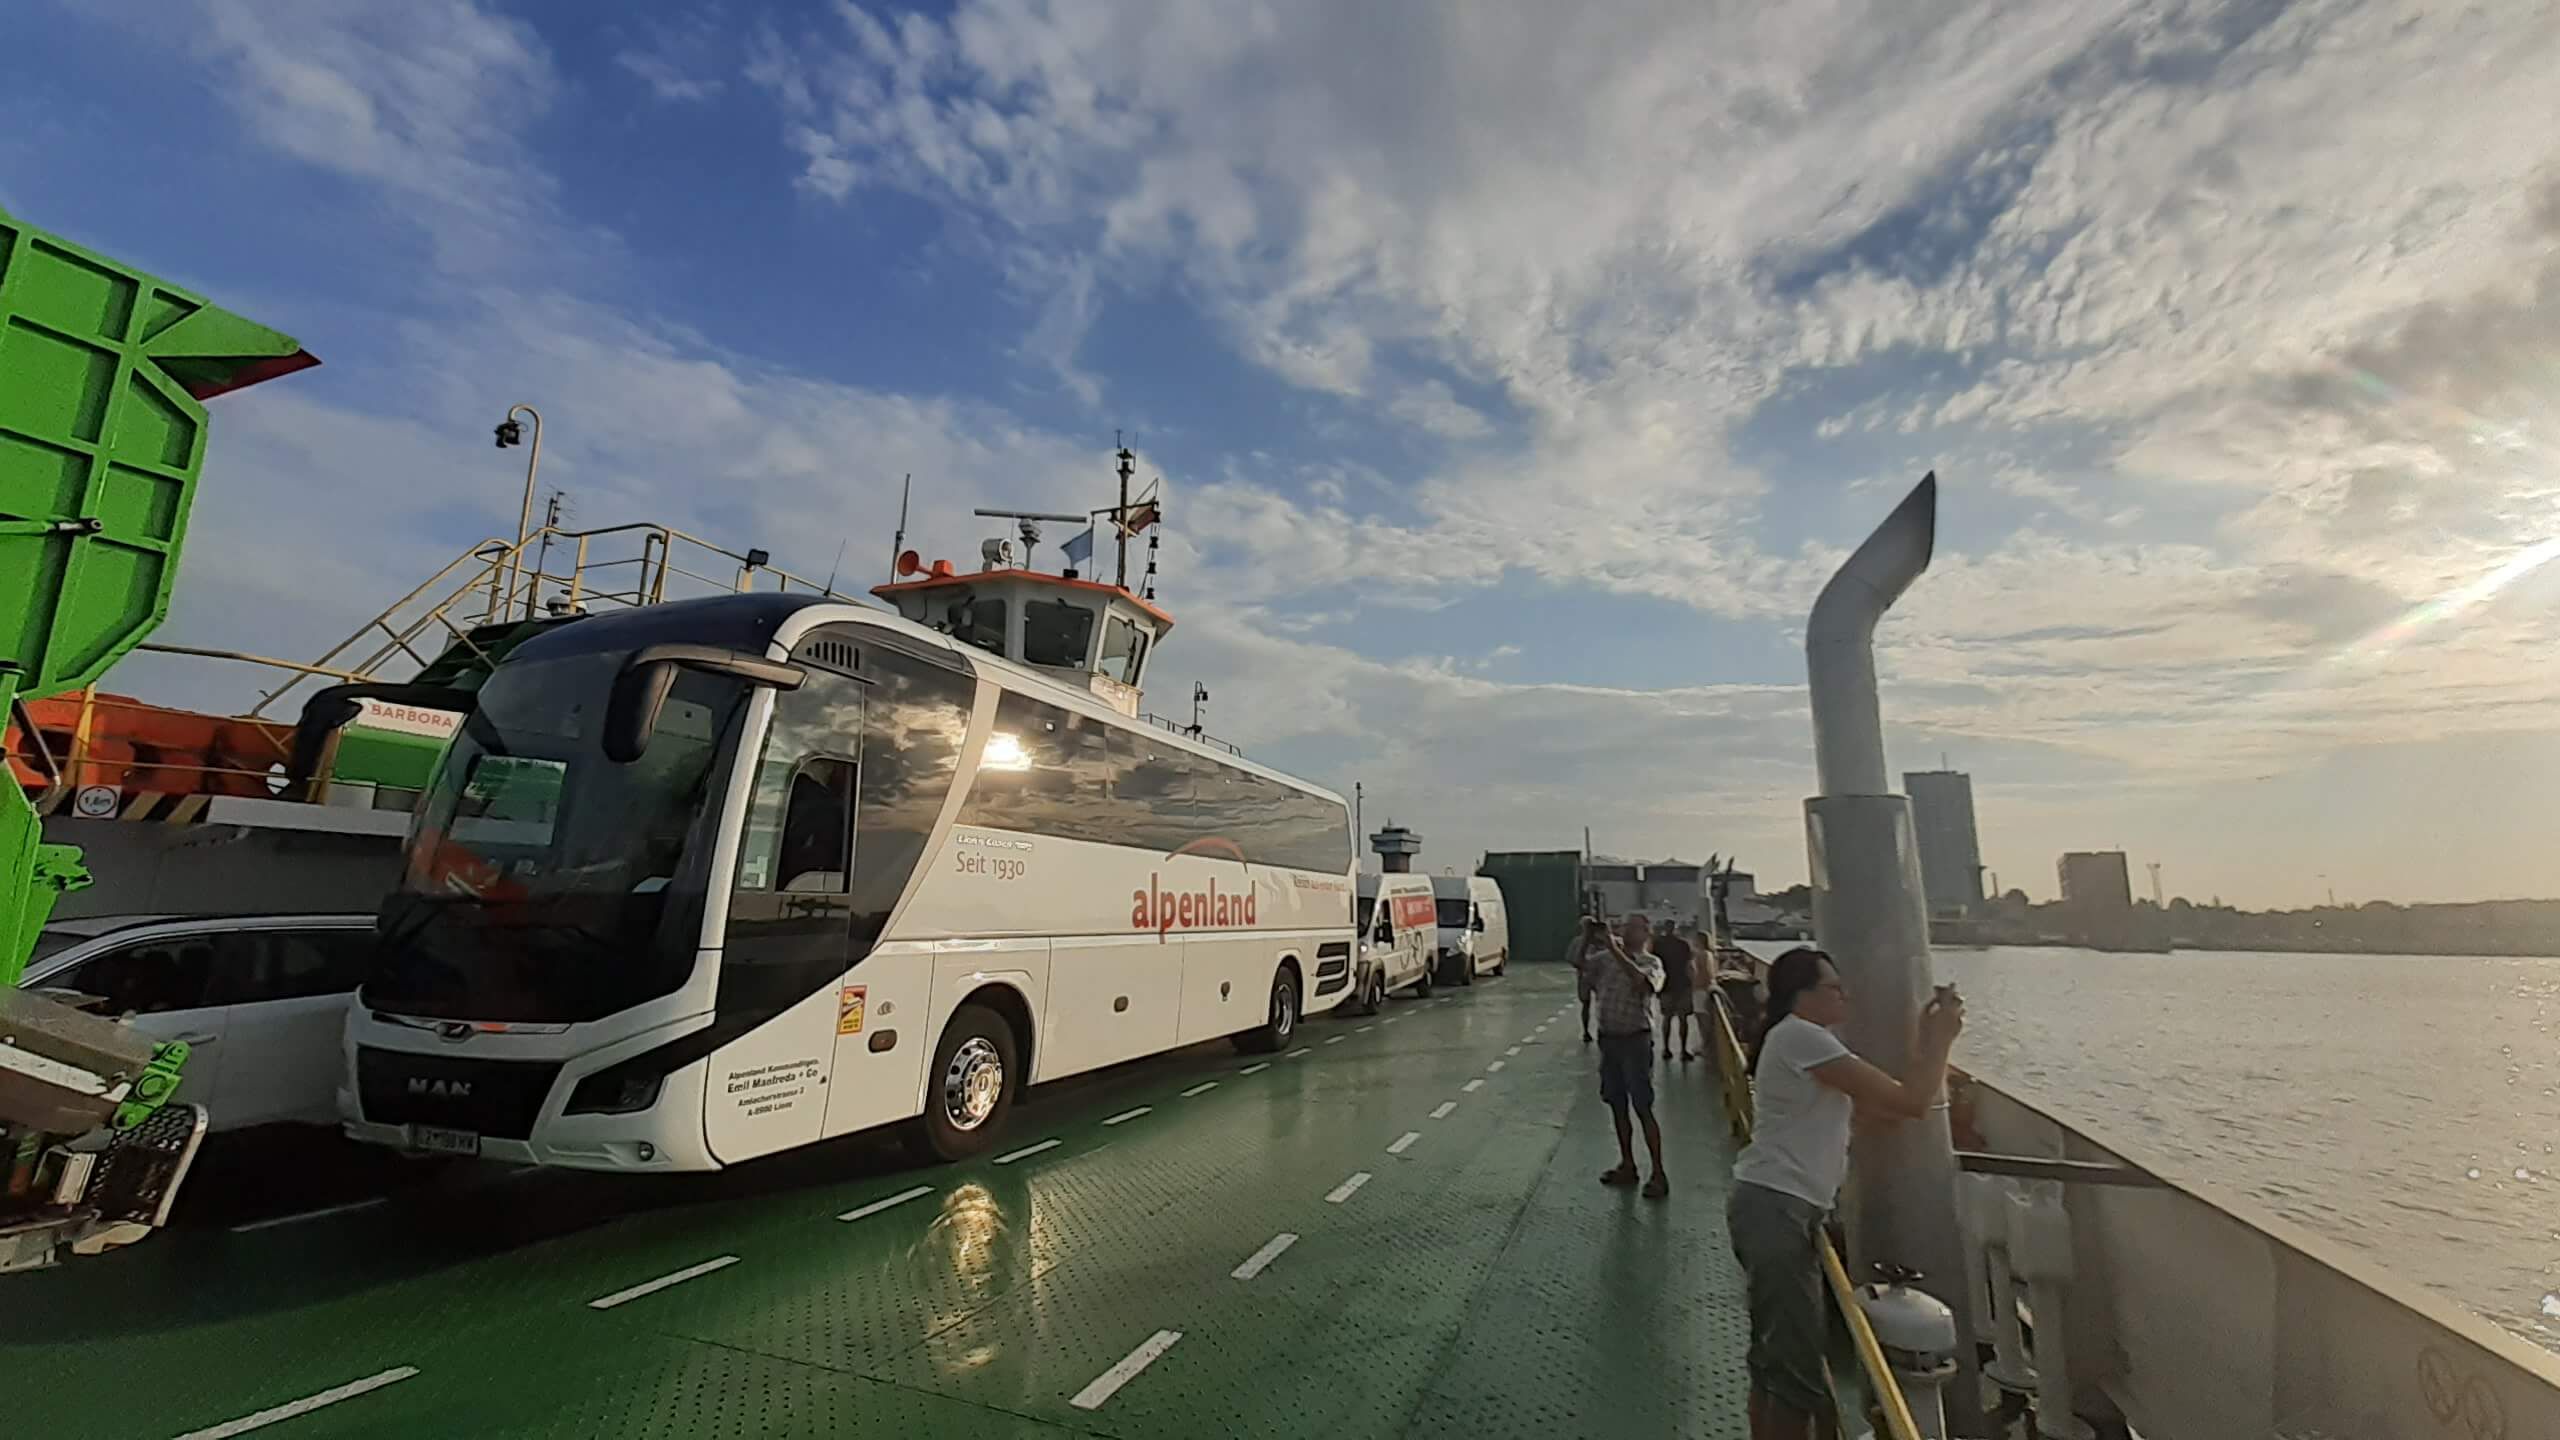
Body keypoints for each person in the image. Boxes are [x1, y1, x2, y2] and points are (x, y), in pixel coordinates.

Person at [1727, 948, 1963, 1440]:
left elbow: (1881, 1112)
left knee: (1775, 1364)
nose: (1845, 995)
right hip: (1779, 1209)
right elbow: (1912, 1102)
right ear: (1804, 995)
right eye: (1835, 987)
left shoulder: (1798, 1042)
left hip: (1771, 1205)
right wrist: (1939, 1041)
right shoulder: (1804, 1038)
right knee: (1793, 1375)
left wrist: (1924, 1046)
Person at [1573, 914, 1669, 1198]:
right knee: (1616, 1103)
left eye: (1634, 927)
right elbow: (1579, 964)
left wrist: (1615, 950)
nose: (1626, 931)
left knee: (1642, 1105)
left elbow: (1643, 984)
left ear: (1646, 932)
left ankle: (1658, 1172)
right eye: (1625, 926)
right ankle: (1628, 1164)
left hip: (1635, 1041)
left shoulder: (1651, 962)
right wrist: (1588, 938)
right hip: (1610, 1040)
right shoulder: (1603, 959)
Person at [1654, 921, 1698, 1061]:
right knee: (1683, 1018)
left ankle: (1666, 1049)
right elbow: (1689, 965)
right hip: (1682, 984)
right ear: (1675, 928)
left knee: (1667, 1018)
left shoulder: (1658, 944)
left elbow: (1655, 964)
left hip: (1665, 985)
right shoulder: (1683, 945)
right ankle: (1683, 1050)